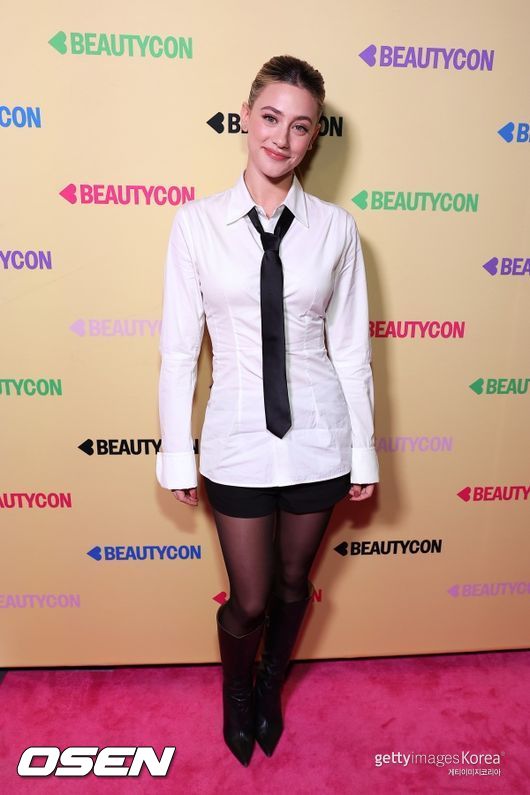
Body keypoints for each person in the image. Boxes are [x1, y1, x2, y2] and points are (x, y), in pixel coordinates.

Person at [156, 54, 379, 766]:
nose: (281, 138)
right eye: (271, 118)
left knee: (292, 585)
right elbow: (179, 352)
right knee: (248, 599)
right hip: (236, 442)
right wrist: (176, 454)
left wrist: (363, 453)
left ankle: (270, 686)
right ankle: (236, 692)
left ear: (314, 139)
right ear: (246, 117)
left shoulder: (337, 230)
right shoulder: (196, 225)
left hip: (318, 438)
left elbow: (351, 351)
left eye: (301, 126)